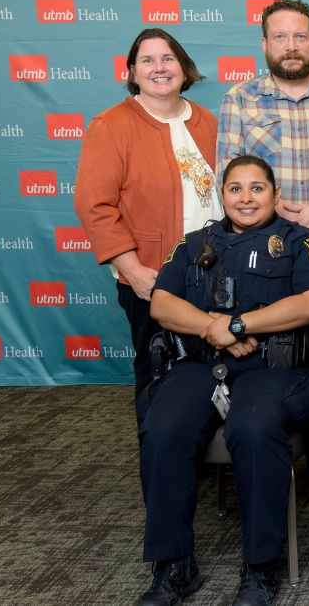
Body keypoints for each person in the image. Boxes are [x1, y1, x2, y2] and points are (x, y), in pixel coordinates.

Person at [137, 155, 309, 606]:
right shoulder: (193, 244)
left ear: (276, 194)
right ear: (222, 194)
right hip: (201, 366)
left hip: (279, 371)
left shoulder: (303, 242)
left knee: (253, 428)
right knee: (162, 427)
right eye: (235, 188)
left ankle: (259, 566)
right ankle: (174, 565)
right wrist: (216, 328)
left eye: (257, 188)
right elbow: (163, 304)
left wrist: (238, 325)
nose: (245, 198)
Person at [74, 28, 220, 398]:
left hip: (214, 272)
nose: (159, 68)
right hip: (152, 276)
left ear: (184, 69)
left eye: (168, 58)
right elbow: (95, 205)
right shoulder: (111, 126)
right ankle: (160, 453)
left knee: (215, 369)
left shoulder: (210, 121)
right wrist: (133, 270)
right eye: (148, 60)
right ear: (133, 72)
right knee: (160, 374)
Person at [218, 0, 309, 278]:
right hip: (262, 242)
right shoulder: (239, 99)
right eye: (280, 37)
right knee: (266, 321)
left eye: (300, 37)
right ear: (265, 44)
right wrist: (274, 209)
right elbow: (227, 175)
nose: (291, 46)